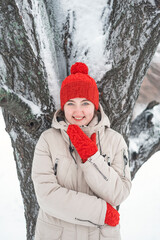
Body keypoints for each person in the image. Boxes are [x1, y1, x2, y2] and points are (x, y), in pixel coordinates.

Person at [32, 62, 132, 240]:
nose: (78, 111)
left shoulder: (115, 141)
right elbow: (46, 195)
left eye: (85, 103)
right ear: (63, 106)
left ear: (94, 105)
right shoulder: (48, 140)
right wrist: (102, 213)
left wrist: (92, 157)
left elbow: (119, 193)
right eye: (71, 103)